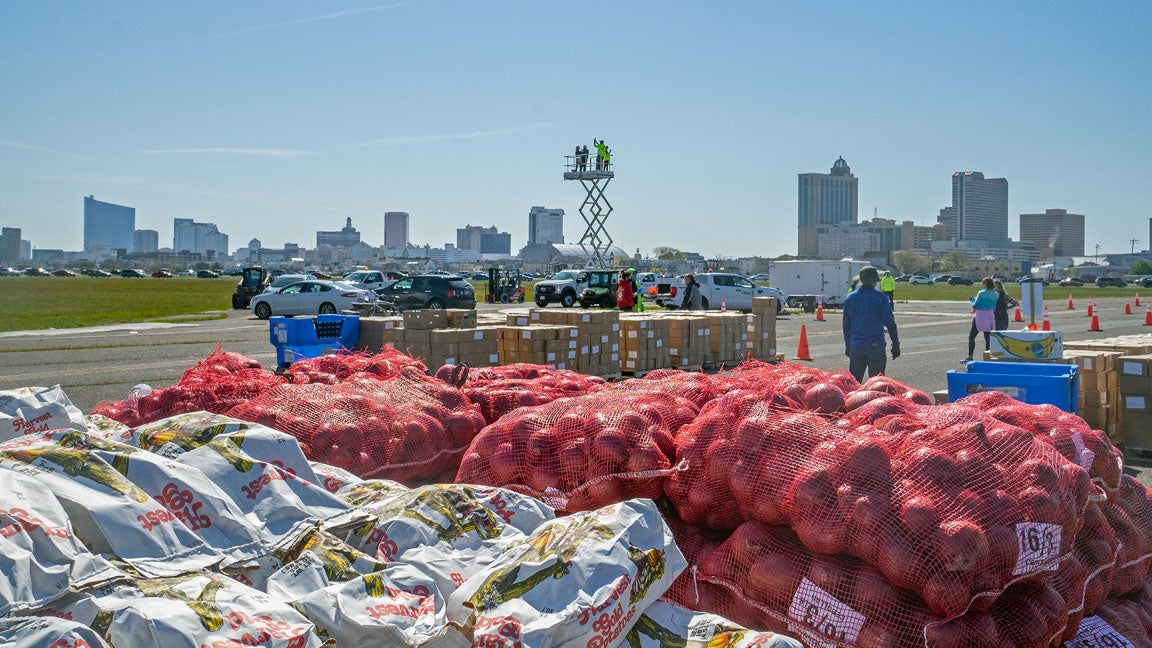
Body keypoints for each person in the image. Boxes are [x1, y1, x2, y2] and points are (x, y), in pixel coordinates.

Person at [842, 266, 900, 382]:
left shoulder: (850, 298)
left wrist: (848, 345)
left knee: (853, 384)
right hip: (875, 346)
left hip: (856, 346)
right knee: (877, 385)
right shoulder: (880, 298)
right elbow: (890, 323)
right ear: (875, 281)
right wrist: (895, 343)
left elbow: (846, 325)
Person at [965, 277, 999, 362]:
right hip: (990, 315)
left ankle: (970, 355)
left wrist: (972, 301)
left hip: (981, 315)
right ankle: (987, 357)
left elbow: (976, 305)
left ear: (985, 284)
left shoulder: (981, 293)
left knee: (972, 336)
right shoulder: (996, 294)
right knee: (987, 338)